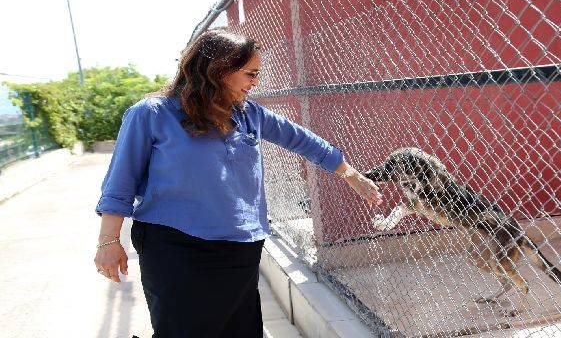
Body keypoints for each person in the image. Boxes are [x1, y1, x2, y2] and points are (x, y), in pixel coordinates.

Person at [93, 29, 383, 337]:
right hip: (176, 248)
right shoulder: (151, 114)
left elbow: (302, 140)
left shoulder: (249, 114)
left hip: (241, 248)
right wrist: (108, 242)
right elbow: (119, 185)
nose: (255, 83)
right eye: (250, 74)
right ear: (218, 71)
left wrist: (351, 175)